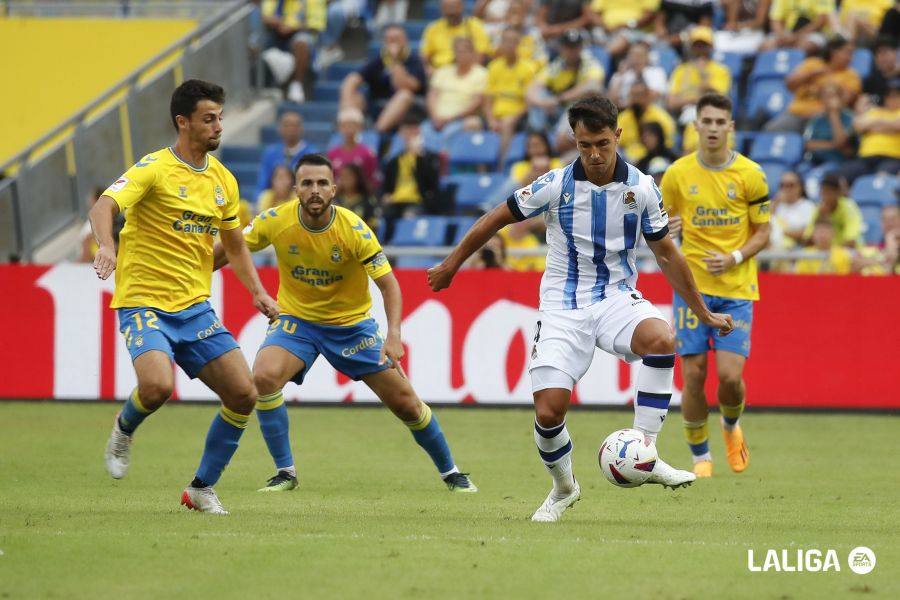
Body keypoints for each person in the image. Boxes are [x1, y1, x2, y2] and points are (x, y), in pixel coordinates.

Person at [428, 96, 735, 522]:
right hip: (561, 308)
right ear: (574, 139)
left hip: (615, 297)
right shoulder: (554, 184)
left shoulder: (642, 188)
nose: (593, 154)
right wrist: (451, 264)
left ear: (618, 137)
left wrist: (702, 312)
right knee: (549, 410)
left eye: (602, 144)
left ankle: (645, 450)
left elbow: (666, 252)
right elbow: (497, 217)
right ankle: (563, 489)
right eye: (584, 144)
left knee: (662, 338)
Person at [213, 153, 477, 494]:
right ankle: (285, 472)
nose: (315, 190)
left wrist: (394, 335)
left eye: (322, 183)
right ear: (295, 189)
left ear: (334, 189)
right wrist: (196, 272)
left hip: (352, 327)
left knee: (406, 403)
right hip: (298, 322)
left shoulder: (353, 229)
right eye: (307, 183)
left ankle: (451, 472)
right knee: (263, 376)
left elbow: (389, 285)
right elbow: (231, 247)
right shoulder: (275, 220)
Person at [90, 79, 280, 514]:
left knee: (243, 394)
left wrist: (258, 293)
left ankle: (200, 488)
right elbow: (104, 206)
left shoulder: (223, 182)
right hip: (144, 300)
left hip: (194, 307)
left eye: (220, 118)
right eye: (208, 119)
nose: (218, 127)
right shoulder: (154, 168)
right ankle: (123, 429)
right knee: (157, 387)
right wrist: (107, 245)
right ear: (183, 122)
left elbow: (234, 246)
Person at [661, 93, 771, 479]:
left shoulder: (750, 175)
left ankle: (729, 426)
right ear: (695, 126)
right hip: (691, 289)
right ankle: (699, 457)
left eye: (719, 122)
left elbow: (764, 232)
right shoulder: (677, 175)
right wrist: (668, 230)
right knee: (692, 374)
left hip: (737, 289)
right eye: (705, 121)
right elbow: (660, 226)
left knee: (728, 377)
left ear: (730, 128)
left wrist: (736, 257)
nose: (712, 128)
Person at [340, 25, 427, 134]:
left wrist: (395, 61)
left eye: (396, 39)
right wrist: (347, 107)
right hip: (377, 104)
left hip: (407, 110)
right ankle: (349, 131)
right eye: (390, 40)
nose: (393, 43)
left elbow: (404, 86)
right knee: (355, 94)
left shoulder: (414, 61)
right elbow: (352, 80)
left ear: (405, 41)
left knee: (404, 95)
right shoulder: (379, 60)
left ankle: (375, 134)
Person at [765, 36, 861, 133]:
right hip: (797, 113)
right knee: (771, 130)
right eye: (847, 53)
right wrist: (811, 74)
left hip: (824, 118)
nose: (850, 58)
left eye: (852, 54)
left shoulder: (851, 76)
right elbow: (789, 85)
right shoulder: (812, 64)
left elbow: (845, 102)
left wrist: (832, 89)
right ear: (833, 51)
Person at [484, 28, 540, 164]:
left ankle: (500, 165)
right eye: (505, 41)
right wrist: (491, 120)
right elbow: (487, 99)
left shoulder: (528, 69)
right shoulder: (493, 67)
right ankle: (483, 173)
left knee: (507, 122)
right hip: (496, 116)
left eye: (512, 41)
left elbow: (529, 103)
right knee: (470, 124)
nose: (509, 45)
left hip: (518, 118)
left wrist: (515, 117)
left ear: (518, 44)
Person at [423, 37, 489, 145]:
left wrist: (449, 119)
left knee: (467, 126)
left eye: (465, 51)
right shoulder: (442, 71)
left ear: (473, 53)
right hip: (436, 119)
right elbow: (432, 95)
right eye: (458, 51)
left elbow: (476, 102)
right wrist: (435, 116)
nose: (461, 54)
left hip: (462, 119)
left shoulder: (482, 74)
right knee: (416, 133)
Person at [381, 112, 443, 221]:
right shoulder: (394, 160)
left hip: (418, 201)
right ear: (401, 133)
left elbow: (433, 183)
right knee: (381, 216)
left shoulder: (430, 157)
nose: (410, 134)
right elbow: (386, 186)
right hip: (396, 200)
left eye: (414, 130)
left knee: (409, 217)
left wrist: (419, 158)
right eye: (407, 130)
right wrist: (386, 195)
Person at [841, 79, 900, 183]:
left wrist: (873, 124)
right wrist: (888, 126)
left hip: (892, 158)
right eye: (889, 95)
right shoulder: (875, 111)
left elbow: (897, 125)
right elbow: (858, 125)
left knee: (882, 179)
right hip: (865, 158)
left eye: (896, 96)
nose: (892, 99)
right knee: (844, 175)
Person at [420, 0, 493, 73]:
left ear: (461, 7)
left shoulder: (475, 25)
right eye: (447, 8)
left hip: (467, 72)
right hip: (439, 72)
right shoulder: (433, 28)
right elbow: (424, 56)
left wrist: (463, 73)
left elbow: (481, 55)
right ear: (441, 9)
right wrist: (428, 70)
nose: (451, 11)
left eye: (454, 7)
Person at [256, 110, 316, 198]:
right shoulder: (271, 152)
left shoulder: (311, 154)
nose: (291, 129)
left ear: (301, 128)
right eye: (287, 125)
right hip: (274, 201)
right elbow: (262, 183)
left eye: (295, 125)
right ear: (280, 128)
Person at [618, 79, 677, 163]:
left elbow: (667, 146)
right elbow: (616, 144)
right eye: (632, 95)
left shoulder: (661, 118)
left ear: (648, 96)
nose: (635, 99)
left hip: (652, 161)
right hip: (627, 162)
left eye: (639, 95)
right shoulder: (622, 118)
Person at [802, 172, 864, 248]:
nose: (825, 197)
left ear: (838, 192)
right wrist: (821, 217)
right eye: (823, 192)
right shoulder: (819, 209)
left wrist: (833, 252)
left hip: (848, 254)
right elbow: (806, 241)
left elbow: (851, 241)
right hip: (826, 254)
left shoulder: (849, 208)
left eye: (828, 192)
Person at [803, 83, 855, 167]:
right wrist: (833, 145)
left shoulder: (851, 118)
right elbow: (808, 144)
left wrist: (834, 114)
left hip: (840, 163)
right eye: (826, 96)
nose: (830, 100)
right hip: (814, 161)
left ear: (841, 98)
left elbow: (841, 143)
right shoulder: (816, 119)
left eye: (833, 96)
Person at [327, 107, 380, 187]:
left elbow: (372, 180)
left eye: (353, 126)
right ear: (339, 128)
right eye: (344, 126)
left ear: (360, 127)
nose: (349, 129)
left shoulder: (368, 153)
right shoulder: (332, 154)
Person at [771, 170, 815, 248]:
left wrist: (781, 231)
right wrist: (775, 203)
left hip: (799, 250)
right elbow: (764, 226)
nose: (787, 189)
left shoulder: (809, 207)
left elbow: (807, 233)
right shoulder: (776, 205)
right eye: (783, 185)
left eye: (791, 185)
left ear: (800, 187)